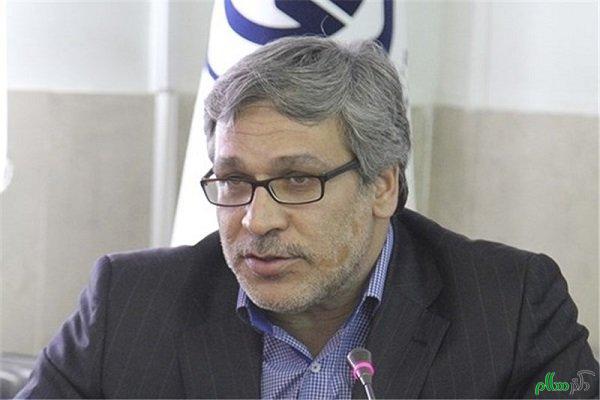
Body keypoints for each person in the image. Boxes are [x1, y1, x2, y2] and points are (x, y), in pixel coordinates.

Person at [17, 36, 598, 399]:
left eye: (297, 180)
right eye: (235, 180)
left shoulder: (510, 306)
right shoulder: (128, 304)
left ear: (382, 185)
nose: (256, 220)